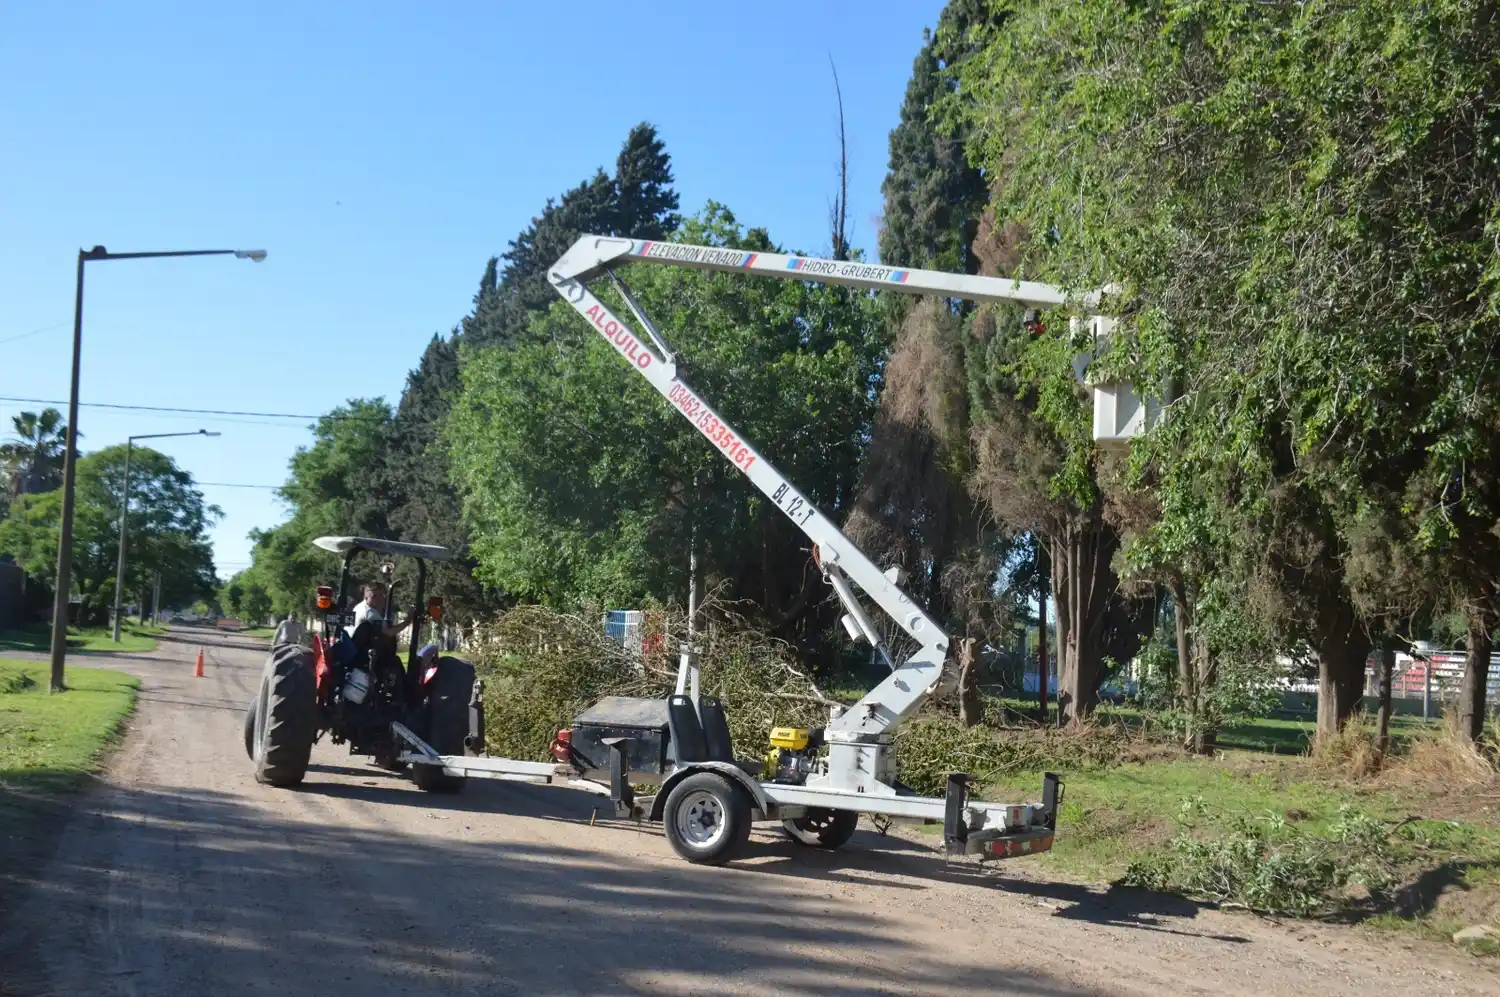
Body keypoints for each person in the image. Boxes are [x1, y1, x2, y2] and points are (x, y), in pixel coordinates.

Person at [344, 581, 413, 641]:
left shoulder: (360, 606)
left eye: (381, 595)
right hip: (357, 648)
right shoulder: (370, 612)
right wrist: (408, 620)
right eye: (374, 596)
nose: (379, 599)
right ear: (365, 597)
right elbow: (389, 633)